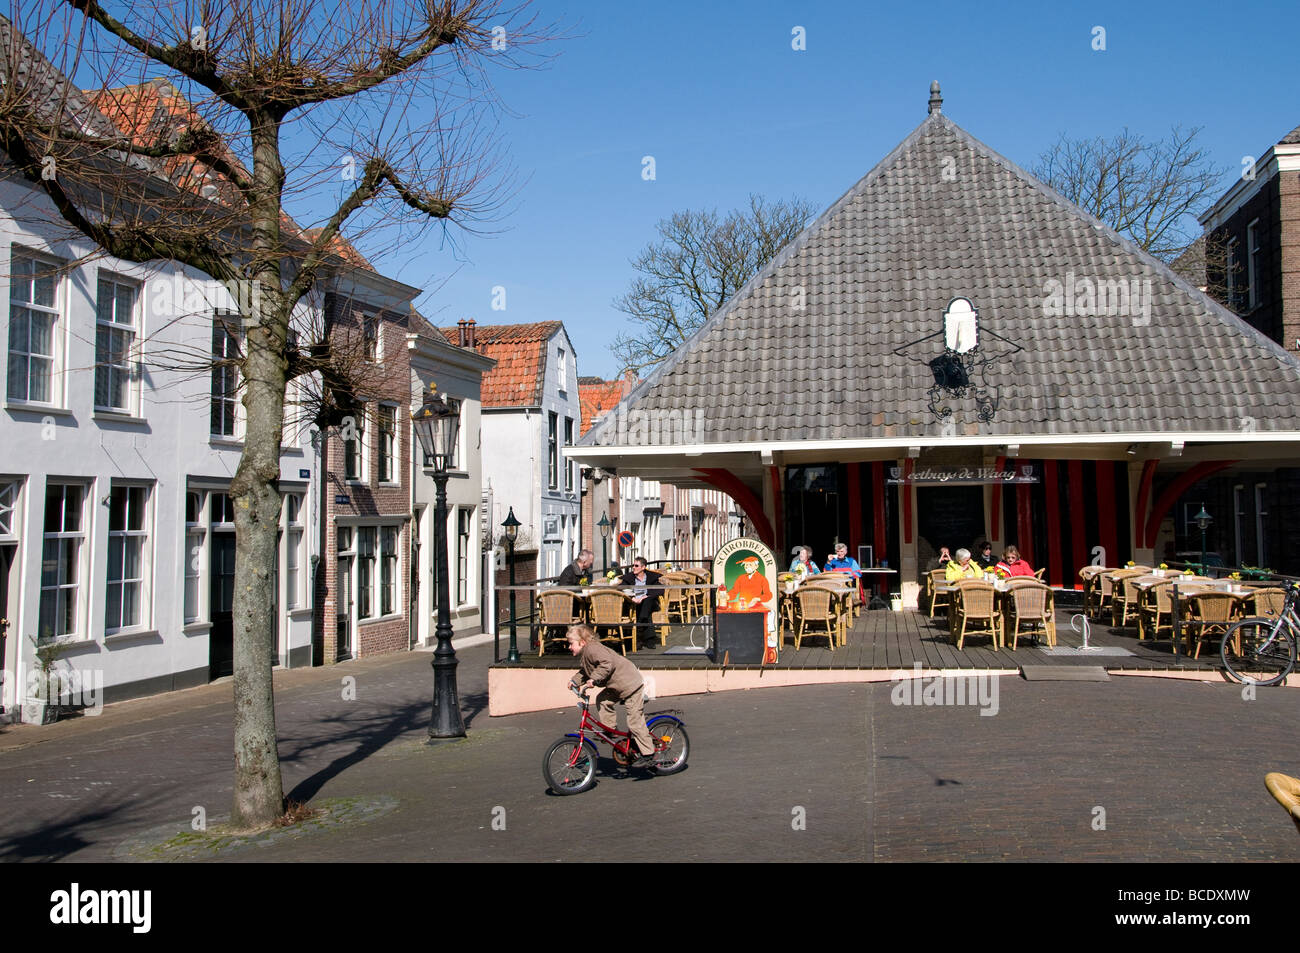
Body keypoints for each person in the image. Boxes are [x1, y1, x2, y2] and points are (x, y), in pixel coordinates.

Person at [566, 624, 655, 765]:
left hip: (630, 684)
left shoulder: (593, 649)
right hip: (617, 686)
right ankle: (611, 730)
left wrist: (594, 678)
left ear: (582, 642)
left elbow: (607, 663)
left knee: (634, 721)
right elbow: (585, 671)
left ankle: (648, 753)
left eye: (571, 644)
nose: (569, 647)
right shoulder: (586, 654)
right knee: (602, 700)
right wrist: (574, 681)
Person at [620, 557, 664, 647]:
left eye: (636, 566)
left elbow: (660, 589)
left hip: (649, 603)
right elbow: (620, 589)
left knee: (647, 601)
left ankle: (639, 630)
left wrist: (644, 597)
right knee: (645, 611)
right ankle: (649, 638)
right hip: (633, 603)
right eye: (633, 565)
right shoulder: (629, 578)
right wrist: (632, 598)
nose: (633, 567)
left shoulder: (651, 577)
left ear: (643, 567)